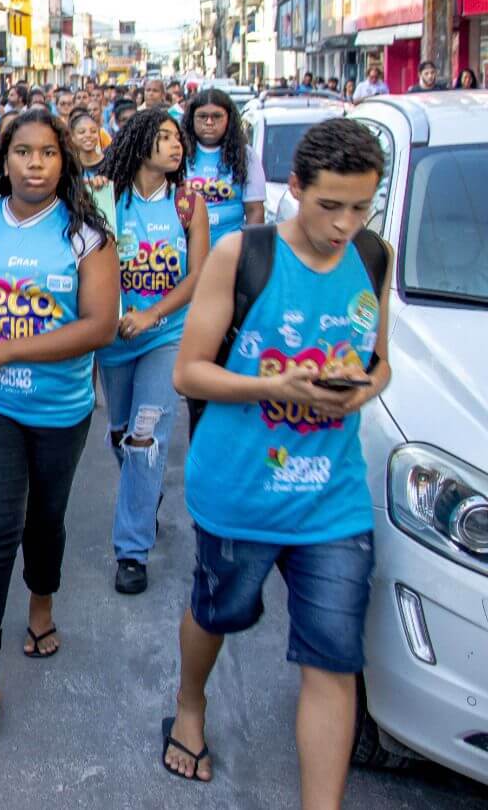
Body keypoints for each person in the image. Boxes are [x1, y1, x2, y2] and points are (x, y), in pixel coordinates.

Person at [162, 120, 391, 797]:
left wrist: (360, 393)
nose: (346, 224)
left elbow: (380, 362)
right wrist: (272, 386)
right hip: (240, 492)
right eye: (330, 206)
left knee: (332, 659)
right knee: (217, 613)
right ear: (295, 188)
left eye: (361, 207)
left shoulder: (375, 256)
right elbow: (188, 372)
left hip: (333, 502)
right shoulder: (243, 254)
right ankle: (191, 704)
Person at [0, 108, 118, 734]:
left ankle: (41, 603)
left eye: (48, 153)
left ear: (65, 161)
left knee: (45, 522)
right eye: (23, 152)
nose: (35, 164)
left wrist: (4, 348)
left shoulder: (88, 234)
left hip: (62, 410)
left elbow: (99, 326)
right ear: (2, 160)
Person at [95, 110, 209, 596]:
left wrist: (152, 315)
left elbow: (197, 275)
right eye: (163, 137)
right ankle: (145, 491)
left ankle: (132, 550)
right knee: (122, 435)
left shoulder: (189, 203)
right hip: (112, 342)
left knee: (145, 436)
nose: (175, 145)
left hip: (165, 336)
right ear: (138, 143)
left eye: (177, 138)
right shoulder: (105, 199)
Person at [181, 90, 265, 246]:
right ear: (191, 119)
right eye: (202, 116)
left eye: (217, 116)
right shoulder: (179, 153)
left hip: (231, 251)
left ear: (229, 119)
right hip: (185, 251)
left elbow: (255, 211)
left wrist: (252, 256)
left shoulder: (245, 155)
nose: (209, 122)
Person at [69, 110, 107, 184]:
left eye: (93, 131)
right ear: (73, 137)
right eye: (82, 132)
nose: (88, 135)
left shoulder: (110, 163)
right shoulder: (70, 166)